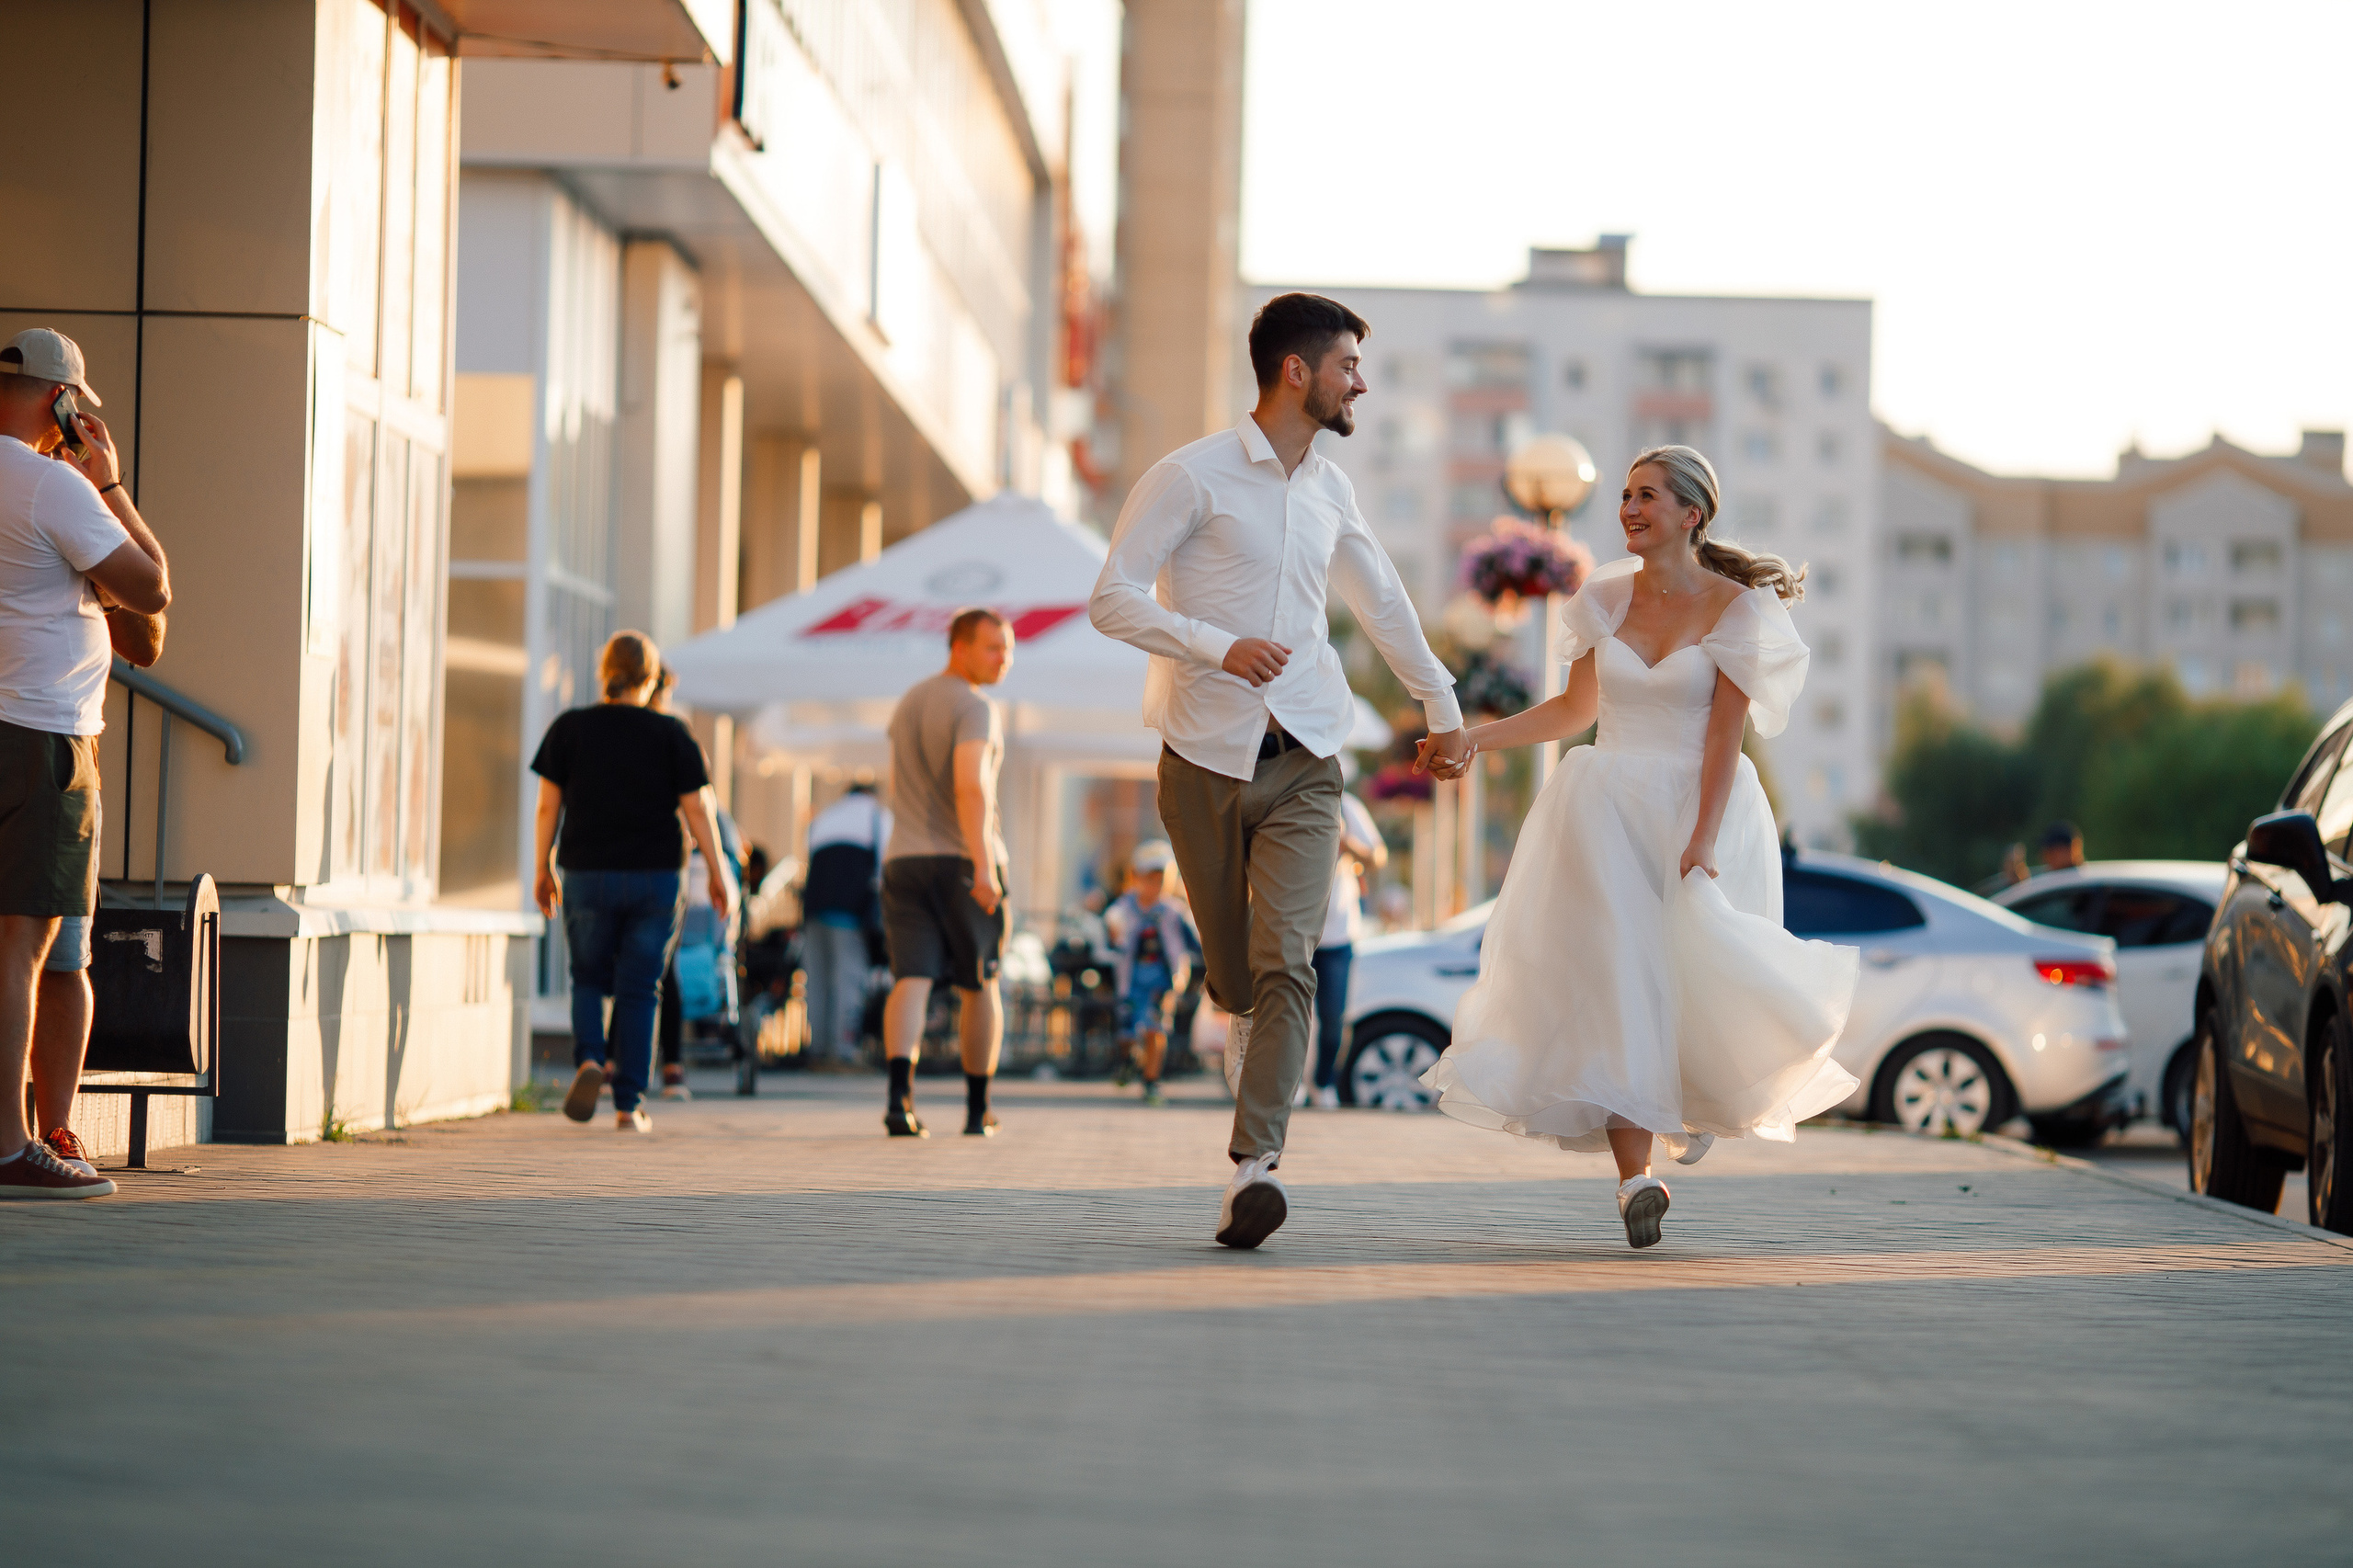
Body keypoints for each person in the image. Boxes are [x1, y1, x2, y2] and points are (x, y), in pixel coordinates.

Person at [1089, 292, 1473, 1249]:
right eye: (1348, 363)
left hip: (1307, 755)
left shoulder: (1331, 489)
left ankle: (1253, 1167)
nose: (1361, 382)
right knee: (1234, 979)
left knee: (1289, 961)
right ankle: (1248, 1064)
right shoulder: (1191, 475)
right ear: (1296, 371)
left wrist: (1444, 708)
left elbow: (1383, 603)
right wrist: (1212, 645)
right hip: (1202, 760)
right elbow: (1110, 598)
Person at [1415, 446, 1859, 1249]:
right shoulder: (1601, 600)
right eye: (1624, 495)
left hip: (1694, 808)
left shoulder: (1739, 610)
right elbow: (1572, 710)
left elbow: (1726, 738)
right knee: (1618, 982)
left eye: (1647, 496)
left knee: (1684, 983)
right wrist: (1473, 737)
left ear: (1691, 515)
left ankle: (1693, 1096)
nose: (1629, 508)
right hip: (1604, 811)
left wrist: (1702, 839)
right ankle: (1635, 1182)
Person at [0, 330, 172, 1199]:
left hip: (44, 736)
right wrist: (109, 479)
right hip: (40, 742)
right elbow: (152, 592)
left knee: (55, 955)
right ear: (62, 399)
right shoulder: (54, 486)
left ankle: (45, 1126)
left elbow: (140, 636)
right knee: (28, 949)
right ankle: (11, 1142)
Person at [531, 631, 730, 1134]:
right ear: (652, 678)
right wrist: (719, 871)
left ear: (605, 674)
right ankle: (628, 1104)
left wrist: (542, 866)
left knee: (589, 978)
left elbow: (547, 807)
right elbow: (698, 810)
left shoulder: (569, 728)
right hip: (656, 878)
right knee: (641, 988)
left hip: (586, 872)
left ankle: (588, 1060)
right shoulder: (672, 733)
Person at [878, 608, 1014, 1138]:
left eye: (1007, 649)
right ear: (958, 646)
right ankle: (978, 1111)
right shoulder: (975, 706)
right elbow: (970, 786)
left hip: (905, 857)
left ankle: (899, 1101)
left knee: (911, 977)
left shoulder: (910, 700)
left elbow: (896, 781)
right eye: (992, 647)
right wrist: (983, 864)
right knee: (980, 983)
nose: (1003, 659)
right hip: (962, 859)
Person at [801, 780, 892, 1070]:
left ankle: (817, 1049)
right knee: (848, 980)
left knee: (816, 981)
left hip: (814, 909)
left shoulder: (826, 817)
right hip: (850, 911)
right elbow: (884, 868)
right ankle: (843, 1051)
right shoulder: (878, 817)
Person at [1106, 841, 1201, 1106]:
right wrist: (1113, 933)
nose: (1154, 886)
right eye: (1149, 879)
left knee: (1156, 1029)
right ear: (1135, 878)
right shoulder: (1124, 908)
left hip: (1162, 980)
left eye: (1161, 880)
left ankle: (1151, 1080)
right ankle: (1127, 1060)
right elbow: (1111, 927)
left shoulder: (1173, 912)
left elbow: (1195, 939)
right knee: (1127, 1030)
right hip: (1132, 980)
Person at [1308, 791, 1386, 1108]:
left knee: (1332, 1020)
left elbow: (1378, 857)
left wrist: (1345, 840)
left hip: (1338, 935)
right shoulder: (1290, 796)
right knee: (1286, 1014)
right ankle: (1288, 1085)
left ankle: (1323, 1082)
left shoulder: (1347, 806)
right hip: (1294, 931)